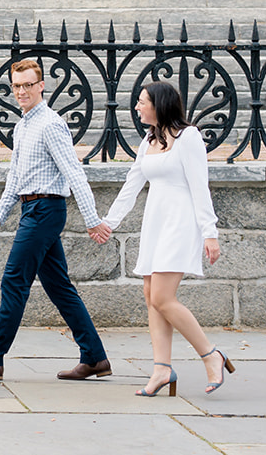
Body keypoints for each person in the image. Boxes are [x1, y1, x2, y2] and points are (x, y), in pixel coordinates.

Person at [0, 58, 114, 381]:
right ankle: (95, 358)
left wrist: (92, 219)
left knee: (14, 281)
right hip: (32, 209)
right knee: (60, 288)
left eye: (28, 84)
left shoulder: (51, 124)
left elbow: (74, 173)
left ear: (41, 86)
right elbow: (15, 177)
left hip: (46, 210)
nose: (22, 91)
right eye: (17, 86)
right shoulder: (23, 125)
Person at [100, 79, 235, 397]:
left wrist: (209, 233)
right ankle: (162, 368)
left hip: (181, 221)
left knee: (163, 297)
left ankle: (210, 354)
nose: (137, 107)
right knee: (151, 296)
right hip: (156, 221)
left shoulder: (188, 137)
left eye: (142, 101)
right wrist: (109, 222)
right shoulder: (148, 139)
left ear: (160, 104)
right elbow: (133, 183)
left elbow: (200, 186)